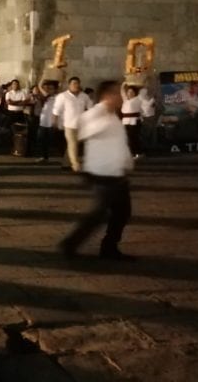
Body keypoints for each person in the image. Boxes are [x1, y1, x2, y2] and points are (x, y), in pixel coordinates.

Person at [59, 81, 136, 261]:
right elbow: (79, 129)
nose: (120, 97)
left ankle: (109, 247)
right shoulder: (96, 113)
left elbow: (118, 143)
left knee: (122, 212)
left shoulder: (113, 116)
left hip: (117, 173)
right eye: (116, 93)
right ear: (106, 96)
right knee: (99, 213)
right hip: (102, 173)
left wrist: (127, 162)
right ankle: (70, 244)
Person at [52, 76, 93, 172]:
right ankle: (76, 165)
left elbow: (90, 108)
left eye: (77, 83)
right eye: (73, 83)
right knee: (72, 143)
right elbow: (56, 110)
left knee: (73, 145)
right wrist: (54, 121)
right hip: (68, 125)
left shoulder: (84, 96)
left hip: (81, 125)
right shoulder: (63, 96)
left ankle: (65, 164)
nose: (75, 85)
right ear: (69, 85)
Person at [35, 81, 59, 163]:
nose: (49, 90)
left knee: (49, 141)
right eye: (48, 89)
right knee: (41, 140)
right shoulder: (46, 96)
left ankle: (47, 157)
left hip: (52, 122)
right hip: (43, 122)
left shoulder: (58, 97)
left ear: (55, 90)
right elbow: (40, 86)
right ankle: (43, 157)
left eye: (51, 89)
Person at [121, 83, 142, 159]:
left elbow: (142, 93)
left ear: (135, 93)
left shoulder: (138, 99)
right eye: (128, 92)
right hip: (126, 121)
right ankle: (131, 153)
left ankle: (137, 152)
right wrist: (124, 84)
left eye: (132, 92)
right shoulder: (125, 100)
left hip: (134, 121)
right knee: (128, 138)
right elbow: (122, 92)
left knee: (134, 137)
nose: (130, 94)